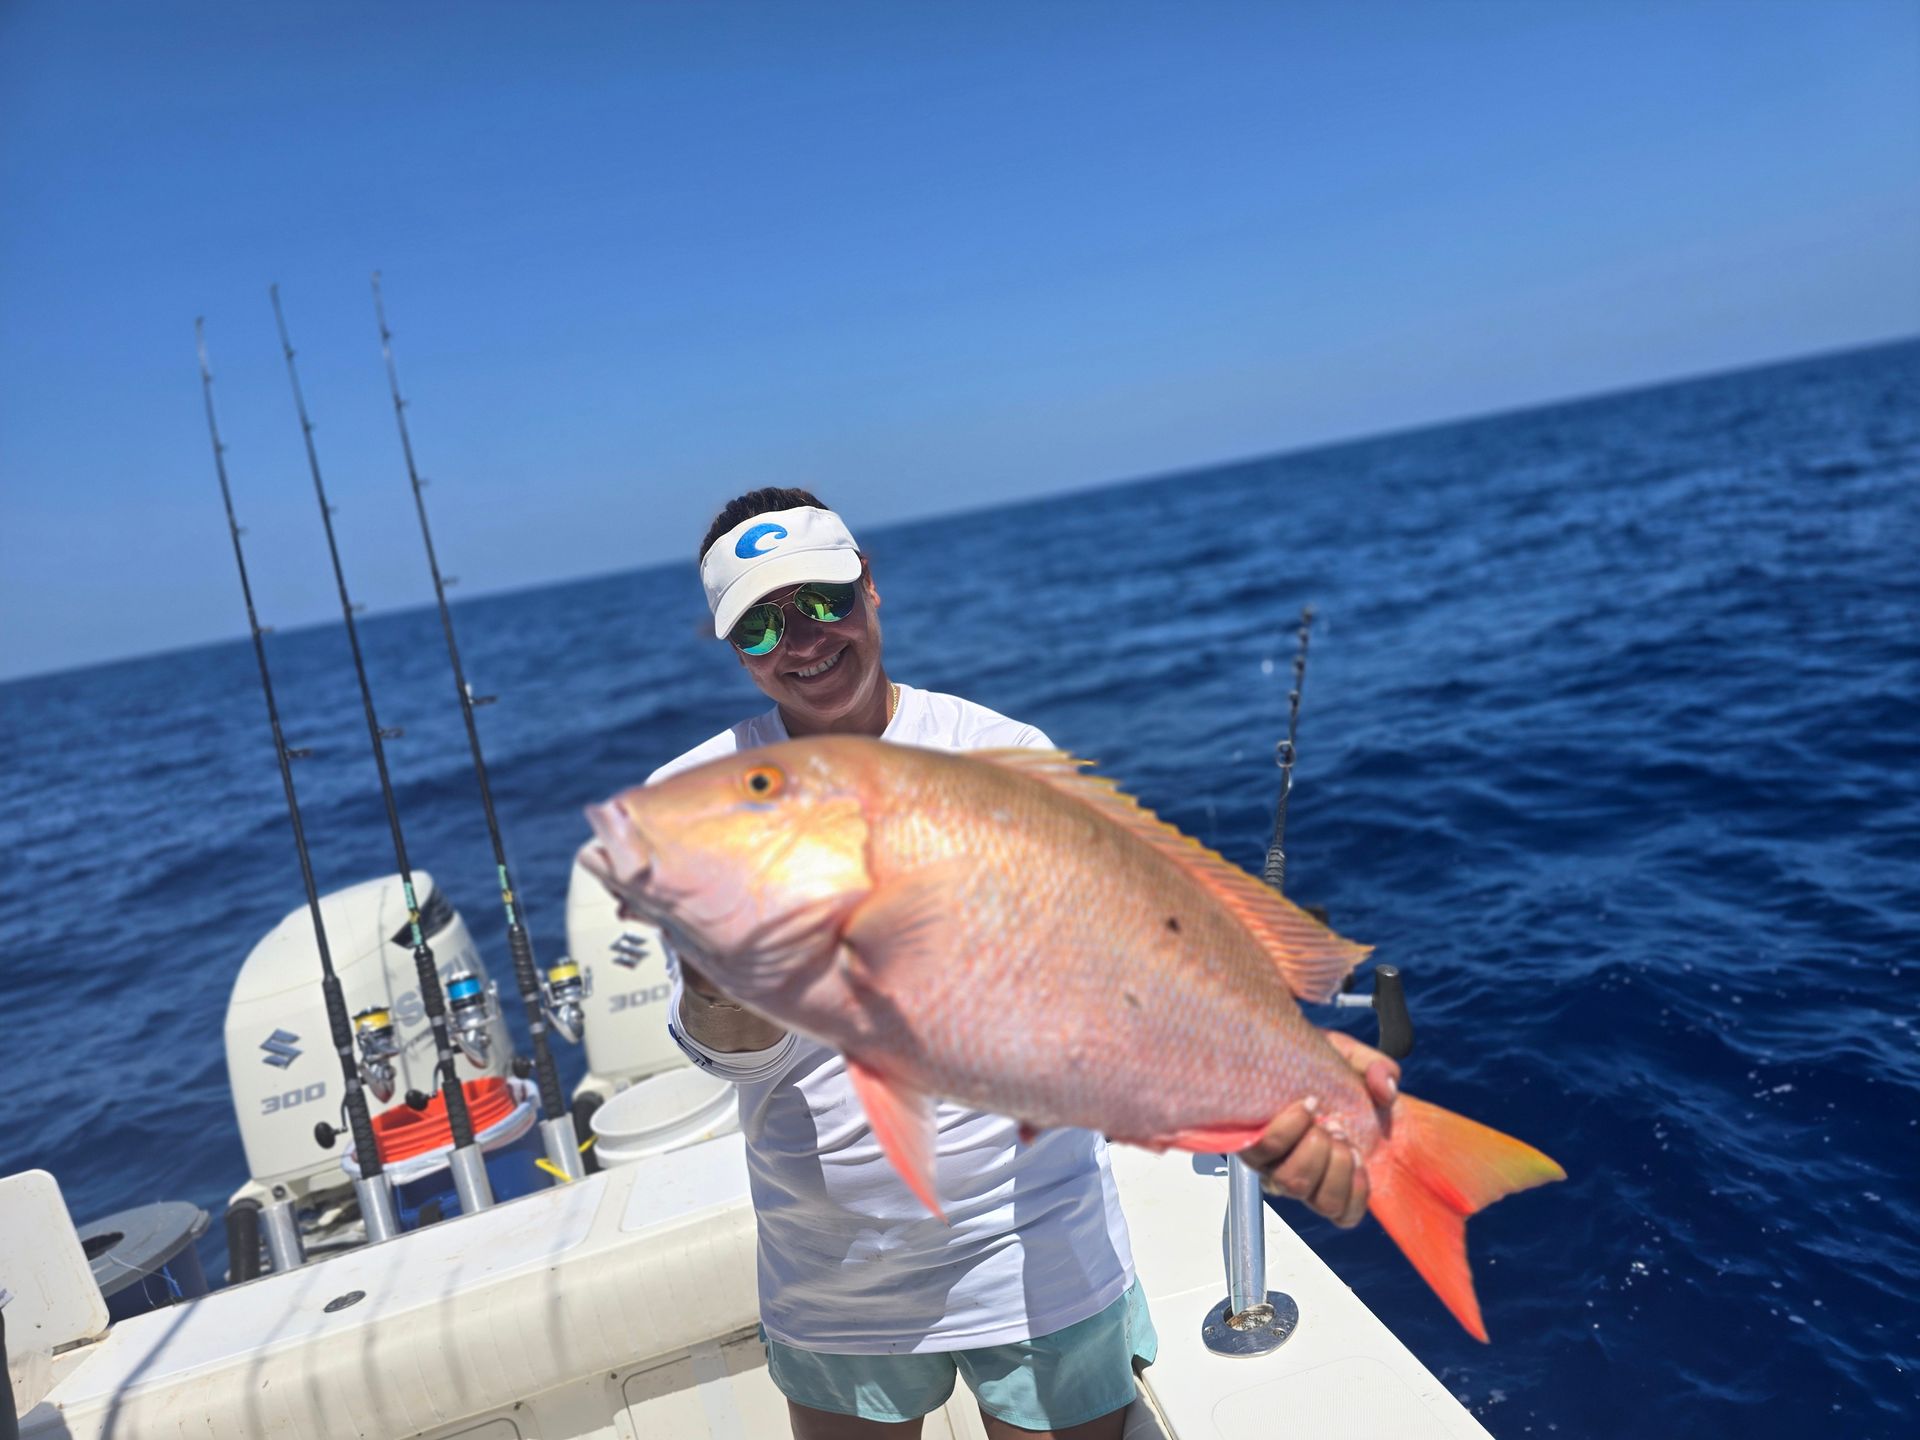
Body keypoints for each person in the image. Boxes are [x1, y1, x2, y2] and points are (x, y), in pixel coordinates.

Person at [644, 488, 1399, 1440]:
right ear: (732, 649)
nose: (800, 639)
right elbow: (735, 1060)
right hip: (835, 1275)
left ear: (870, 586)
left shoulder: (1002, 754)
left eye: (821, 601)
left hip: (1035, 1250)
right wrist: (717, 975)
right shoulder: (698, 801)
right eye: (759, 626)